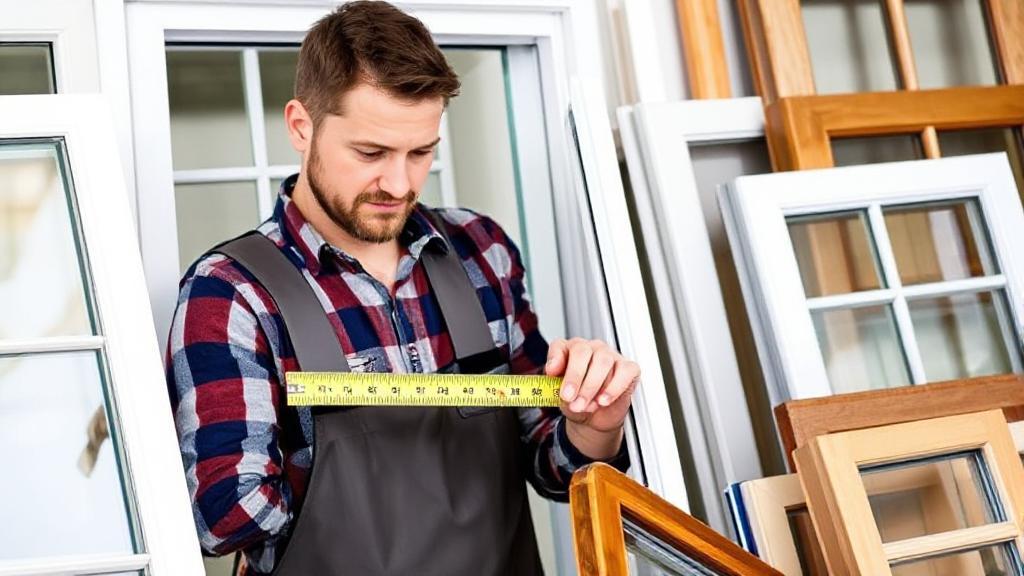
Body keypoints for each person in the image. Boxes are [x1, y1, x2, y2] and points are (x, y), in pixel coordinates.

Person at [166, 2, 637, 574]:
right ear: (301, 126)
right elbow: (225, 519)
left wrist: (594, 428)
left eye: (421, 152)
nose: (399, 182)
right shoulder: (232, 296)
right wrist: (317, 435)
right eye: (371, 153)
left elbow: (551, 466)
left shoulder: (479, 249)